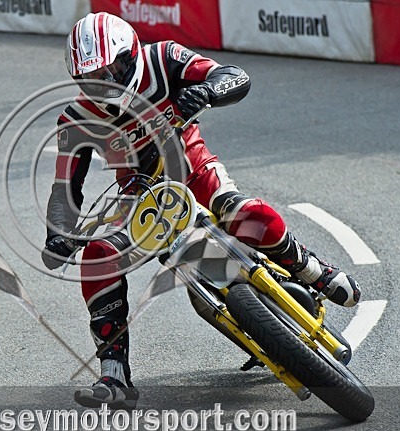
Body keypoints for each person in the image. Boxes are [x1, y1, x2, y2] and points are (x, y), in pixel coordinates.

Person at [41, 12, 361, 410]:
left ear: (131, 54)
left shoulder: (164, 58)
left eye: (112, 69)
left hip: (193, 168)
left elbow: (235, 75)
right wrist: (59, 233)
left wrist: (208, 91)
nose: (104, 83)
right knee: (98, 256)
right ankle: (115, 373)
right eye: (92, 78)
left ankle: (312, 269)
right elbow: (64, 188)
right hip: (139, 195)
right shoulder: (75, 117)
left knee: (239, 211)